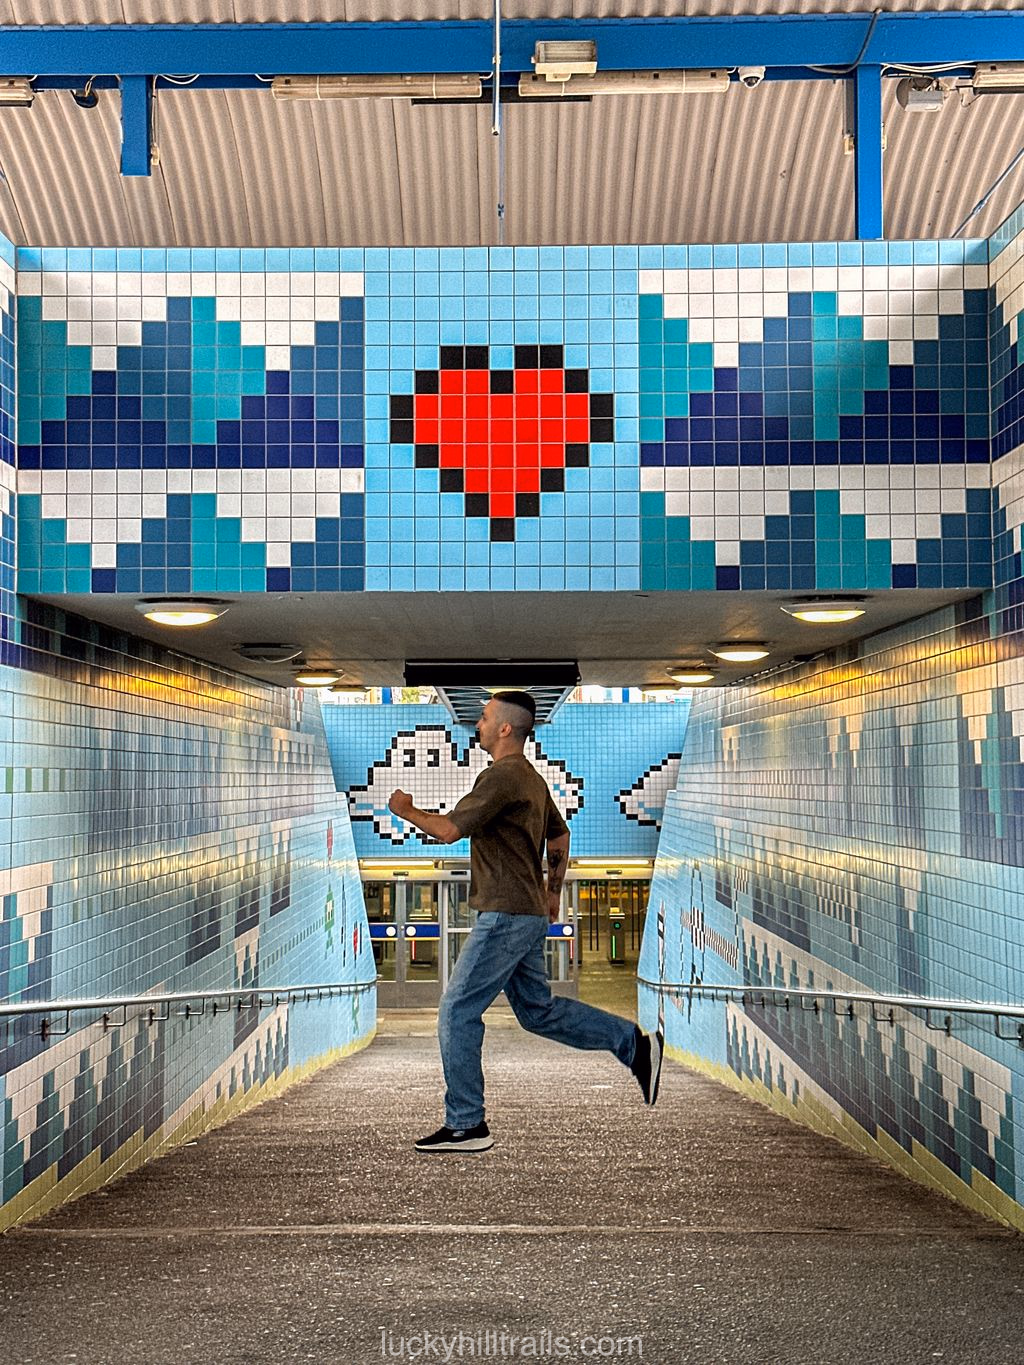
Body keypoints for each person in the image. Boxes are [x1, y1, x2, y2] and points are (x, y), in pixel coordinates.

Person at [387, 690, 664, 1154]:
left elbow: (451, 829)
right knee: (538, 1012)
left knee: (456, 1011)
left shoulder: (502, 776)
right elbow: (560, 834)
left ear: (505, 728)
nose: (477, 723)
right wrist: (551, 894)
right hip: (526, 911)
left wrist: (406, 810)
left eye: (485, 717)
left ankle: (466, 1124)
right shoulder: (532, 779)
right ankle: (634, 1047)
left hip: (505, 914)